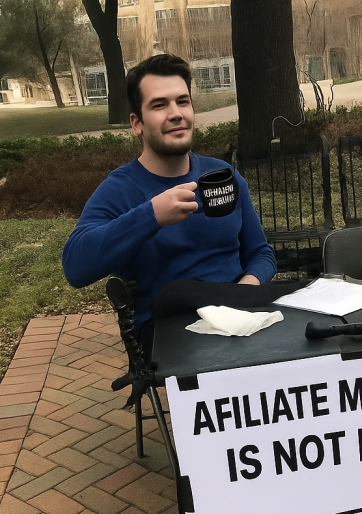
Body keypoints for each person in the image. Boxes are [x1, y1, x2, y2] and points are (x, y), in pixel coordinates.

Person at [62, 54, 277, 339]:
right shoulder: (120, 189)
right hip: (170, 334)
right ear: (136, 123)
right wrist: (151, 216)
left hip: (239, 320)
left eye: (183, 101)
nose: (176, 113)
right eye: (160, 105)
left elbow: (261, 253)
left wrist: (243, 291)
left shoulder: (223, 176)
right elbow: (75, 267)